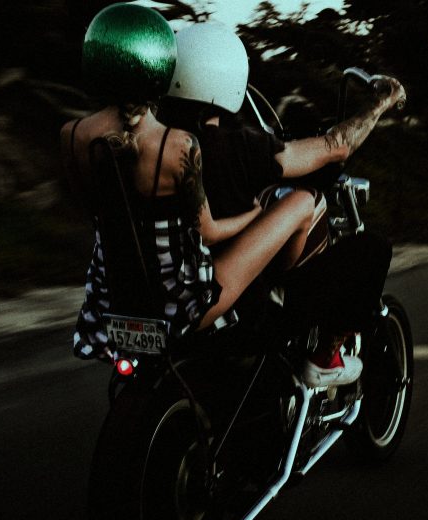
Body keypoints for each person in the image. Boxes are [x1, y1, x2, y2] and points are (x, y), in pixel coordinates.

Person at [62, 6, 318, 369]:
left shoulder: (71, 135)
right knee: (300, 204)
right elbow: (208, 233)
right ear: (162, 69)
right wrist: (256, 213)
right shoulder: (180, 146)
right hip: (180, 303)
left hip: (112, 298)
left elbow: (92, 211)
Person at [159, 22, 406, 387]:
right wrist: (380, 102)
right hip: (228, 299)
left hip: (158, 289)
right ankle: (325, 357)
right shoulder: (239, 146)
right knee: (371, 246)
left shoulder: (148, 148)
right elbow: (335, 147)